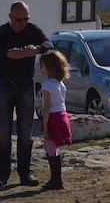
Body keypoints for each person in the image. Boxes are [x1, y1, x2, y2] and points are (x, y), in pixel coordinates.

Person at [0, 1, 53, 188]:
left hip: (25, 85)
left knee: (25, 134)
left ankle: (25, 174)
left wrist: (37, 50)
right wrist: (8, 53)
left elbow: (49, 43)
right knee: (4, 134)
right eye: (18, 19)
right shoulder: (0, 31)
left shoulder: (32, 30)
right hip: (4, 85)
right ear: (10, 17)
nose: (22, 23)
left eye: (25, 19)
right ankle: (2, 174)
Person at [38, 51, 72, 191]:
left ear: (48, 67)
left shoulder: (47, 85)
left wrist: (45, 125)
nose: (40, 68)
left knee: (50, 147)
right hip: (62, 116)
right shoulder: (60, 84)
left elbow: (46, 106)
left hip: (53, 117)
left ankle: (56, 180)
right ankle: (56, 178)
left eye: (41, 65)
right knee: (51, 147)